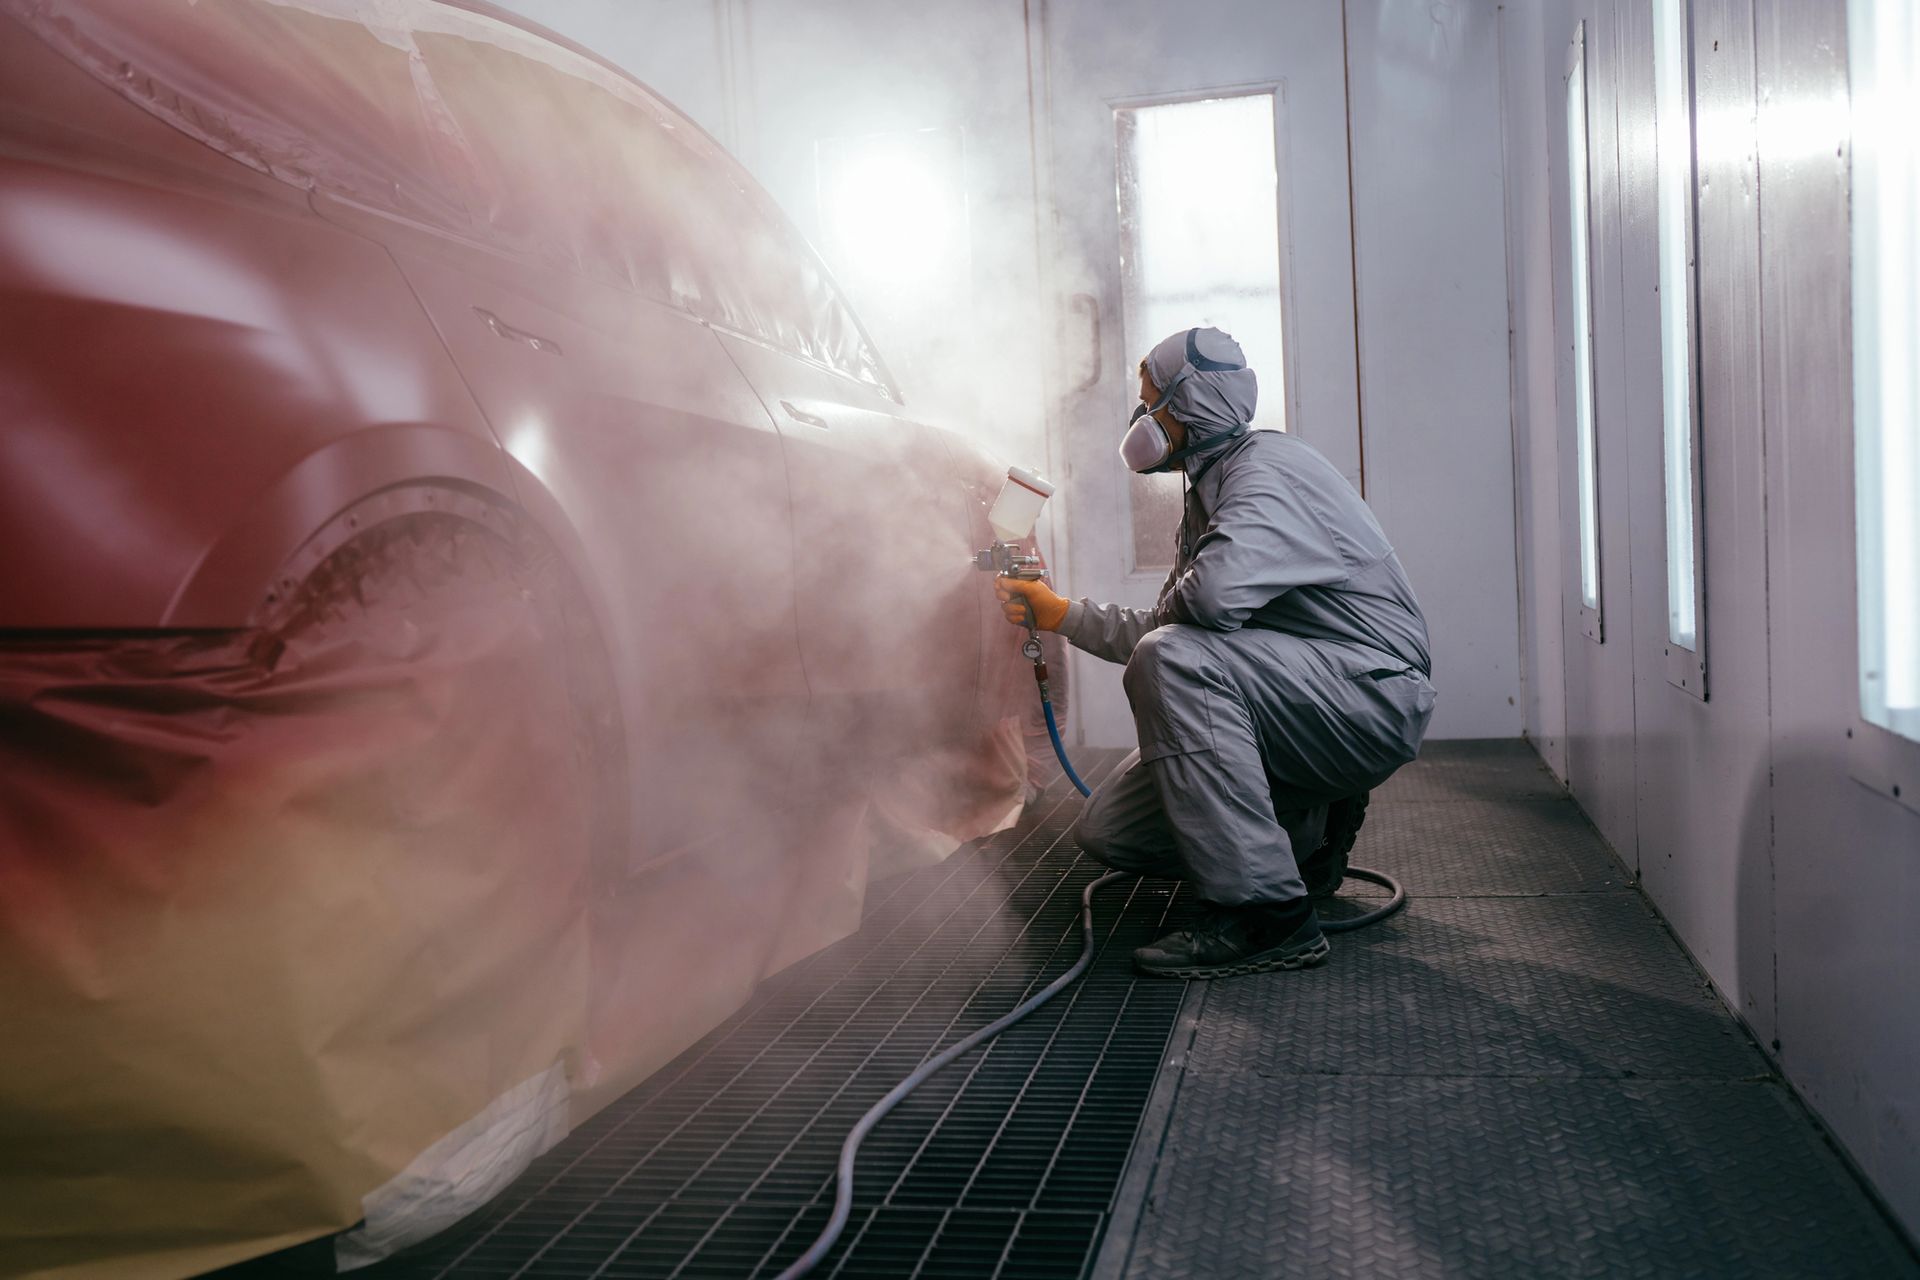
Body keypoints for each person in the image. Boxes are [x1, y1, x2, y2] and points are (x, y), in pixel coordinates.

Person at [997, 327, 1434, 978]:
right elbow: (1175, 619)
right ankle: (1311, 831)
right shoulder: (1214, 488)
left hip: (1369, 694)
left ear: (1192, 403)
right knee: (1113, 830)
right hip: (1311, 694)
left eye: (1150, 402)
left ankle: (1269, 918)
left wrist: (1145, 625)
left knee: (1173, 662)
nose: (1140, 420)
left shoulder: (1266, 474)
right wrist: (1064, 616)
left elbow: (1199, 614)